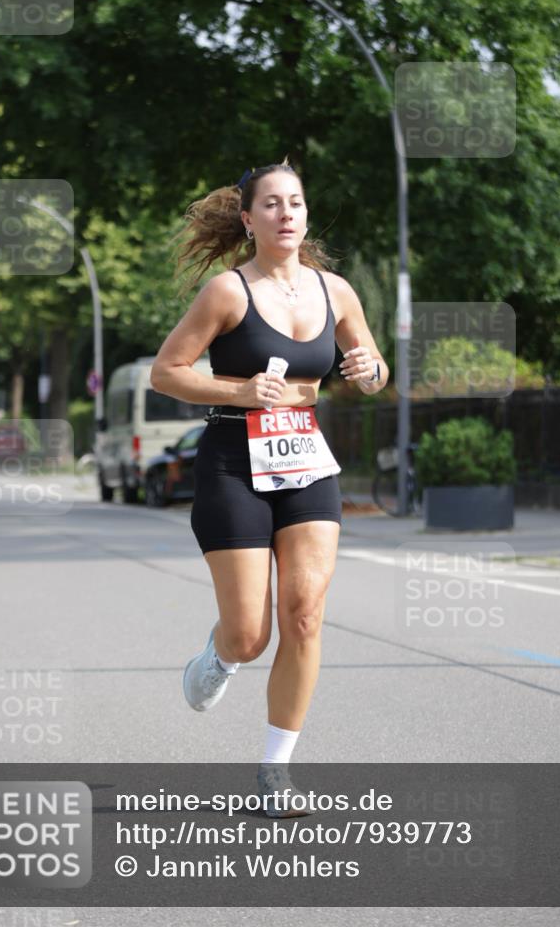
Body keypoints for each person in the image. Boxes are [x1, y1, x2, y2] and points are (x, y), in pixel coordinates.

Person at [151, 160, 388, 816]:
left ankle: (275, 769)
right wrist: (238, 389)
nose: (287, 213)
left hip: (304, 458)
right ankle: (221, 657)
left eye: (297, 203)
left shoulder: (335, 291)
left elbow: (368, 367)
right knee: (250, 634)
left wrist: (370, 369)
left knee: (305, 614)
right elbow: (167, 373)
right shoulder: (226, 292)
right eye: (273, 204)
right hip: (232, 459)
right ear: (248, 218)